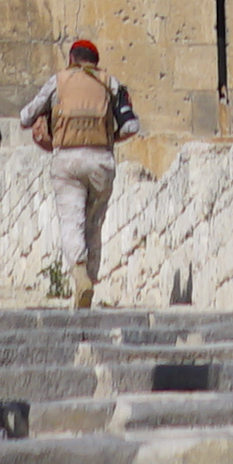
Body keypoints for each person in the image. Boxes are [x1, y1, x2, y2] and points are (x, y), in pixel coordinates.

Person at [19, 37, 141, 308]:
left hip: (67, 159)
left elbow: (25, 117)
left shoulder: (58, 81)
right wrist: (109, 137)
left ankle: (79, 275)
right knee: (94, 224)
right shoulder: (111, 83)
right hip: (101, 160)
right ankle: (91, 283)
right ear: (96, 63)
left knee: (70, 221)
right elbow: (131, 126)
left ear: (72, 59)